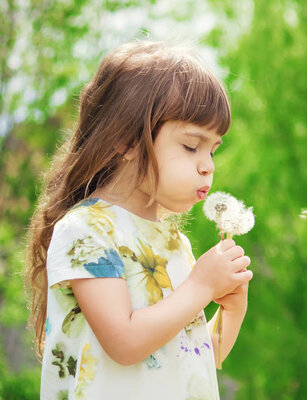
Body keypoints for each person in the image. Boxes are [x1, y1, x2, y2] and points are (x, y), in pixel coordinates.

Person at [23, 40, 253, 399]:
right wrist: (201, 287)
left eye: (213, 149)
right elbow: (126, 342)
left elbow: (190, 359)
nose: (207, 165)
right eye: (191, 146)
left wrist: (232, 311)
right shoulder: (86, 230)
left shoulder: (175, 243)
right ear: (127, 140)